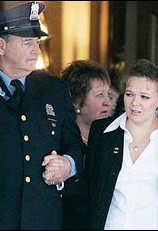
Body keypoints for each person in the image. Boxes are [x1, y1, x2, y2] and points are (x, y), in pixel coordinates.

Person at [0, 2, 85, 229]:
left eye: (37, 43)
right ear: (1, 46)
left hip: (43, 219)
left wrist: (68, 165)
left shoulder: (53, 89)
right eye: (27, 43)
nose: (36, 50)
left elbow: (74, 143)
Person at [85, 59, 158, 229]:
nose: (135, 103)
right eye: (129, 94)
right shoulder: (102, 132)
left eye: (144, 97)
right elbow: (89, 190)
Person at [60, 59, 111, 229]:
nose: (107, 102)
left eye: (108, 94)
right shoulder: (61, 143)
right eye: (99, 95)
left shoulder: (113, 140)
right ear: (76, 101)